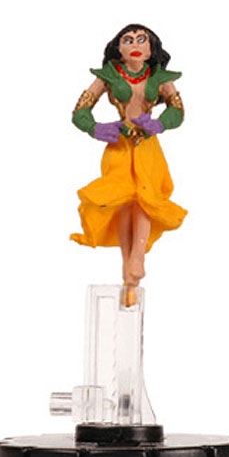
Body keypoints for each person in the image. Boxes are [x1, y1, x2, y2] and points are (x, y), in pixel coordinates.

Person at [70, 24, 187, 305]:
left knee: (145, 198)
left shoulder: (159, 77)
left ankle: (137, 258)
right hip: (120, 145)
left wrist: (160, 123)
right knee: (123, 200)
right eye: (128, 40)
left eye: (141, 39)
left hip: (147, 145)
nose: (135, 44)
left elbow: (178, 110)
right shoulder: (109, 75)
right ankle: (128, 266)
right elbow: (80, 111)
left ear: (150, 48)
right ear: (118, 49)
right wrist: (95, 128)